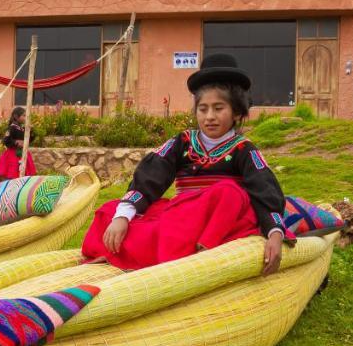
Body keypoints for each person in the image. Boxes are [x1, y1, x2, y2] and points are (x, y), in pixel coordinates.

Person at [81, 52, 290, 274]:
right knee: (110, 210)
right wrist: (123, 216)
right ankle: (155, 251)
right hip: (180, 220)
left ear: (236, 112)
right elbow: (150, 177)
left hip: (218, 223)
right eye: (203, 109)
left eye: (218, 108)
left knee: (229, 192)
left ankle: (199, 249)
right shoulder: (182, 142)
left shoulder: (244, 150)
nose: (209, 116)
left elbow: (264, 191)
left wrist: (275, 233)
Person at [0, 106, 36, 180]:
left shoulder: (22, 128)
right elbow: (6, 140)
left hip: (23, 153)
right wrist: (16, 142)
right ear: (16, 116)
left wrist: (31, 131)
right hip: (13, 154)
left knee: (23, 174)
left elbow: (28, 140)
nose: (25, 117)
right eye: (23, 115)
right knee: (13, 173)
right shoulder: (12, 128)